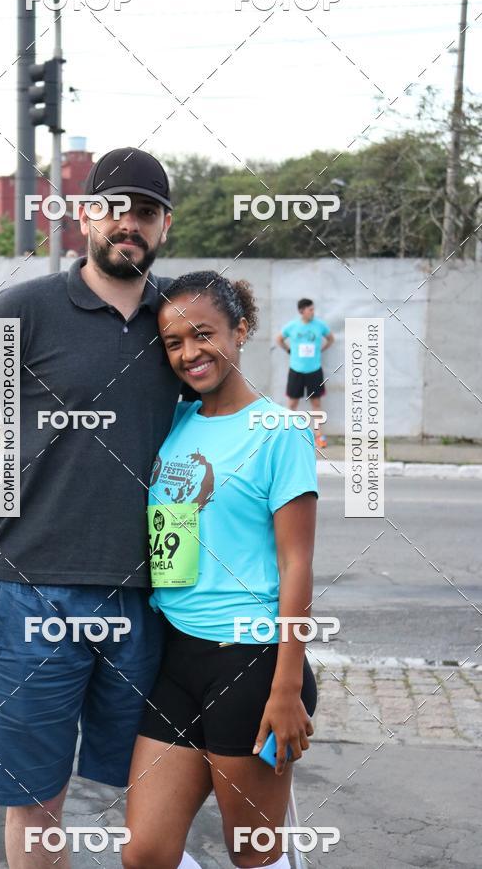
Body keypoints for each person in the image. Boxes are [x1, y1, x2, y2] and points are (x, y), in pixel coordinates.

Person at [0, 147, 197, 869]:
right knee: (37, 802)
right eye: (114, 208)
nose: (130, 224)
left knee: (152, 798)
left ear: (164, 226)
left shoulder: (181, 326)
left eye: (146, 213)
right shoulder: (23, 312)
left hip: (153, 600)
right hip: (32, 589)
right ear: (83, 215)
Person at [123, 272, 318, 869]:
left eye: (202, 334)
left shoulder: (281, 434)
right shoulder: (176, 422)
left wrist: (286, 688)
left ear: (241, 329)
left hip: (252, 662)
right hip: (177, 657)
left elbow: (297, 563)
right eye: (173, 342)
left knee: (253, 852)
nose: (188, 353)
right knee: (145, 853)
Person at [275, 298, 334, 448]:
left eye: (313, 309)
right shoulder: (293, 326)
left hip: (314, 370)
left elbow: (330, 338)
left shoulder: (319, 325)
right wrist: (289, 350)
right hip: (296, 370)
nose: (313, 312)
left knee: (316, 403)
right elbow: (279, 339)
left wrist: (321, 350)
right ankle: (287, 434)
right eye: (310, 310)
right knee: (292, 403)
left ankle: (319, 435)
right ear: (302, 311)